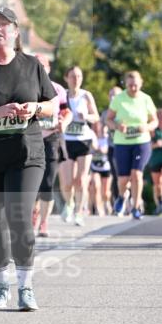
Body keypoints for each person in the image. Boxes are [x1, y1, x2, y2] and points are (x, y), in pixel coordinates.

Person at [0, 6, 58, 312]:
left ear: (16, 32)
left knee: (18, 216)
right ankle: (1, 284)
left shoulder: (31, 66)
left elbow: (53, 103)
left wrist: (36, 109)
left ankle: (26, 286)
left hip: (26, 154)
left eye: (4, 25)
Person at [106, 71, 157, 220]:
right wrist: (116, 126)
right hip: (122, 143)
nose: (133, 88)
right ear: (125, 84)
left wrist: (146, 127)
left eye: (135, 85)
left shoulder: (146, 99)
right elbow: (108, 120)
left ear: (141, 83)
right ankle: (122, 197)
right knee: (123, 179)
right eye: (130, 85)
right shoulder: (119, 99)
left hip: (141, 141)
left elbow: (154, 121)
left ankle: (136, 207)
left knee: (137, 174)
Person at [32, 53, 70, 237]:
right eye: (35, 65)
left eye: (42, 66)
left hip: (52, 138)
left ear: (48, 68)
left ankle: (44, 223)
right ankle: (33, 212)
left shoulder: (58, 89)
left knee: (47, 182)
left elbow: (67, 111)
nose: (39, 70)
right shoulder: (25, 87)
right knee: (31, 181)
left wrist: (65, 122)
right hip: (30, 138)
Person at [60, 66, 100, 226]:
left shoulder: (86, 95)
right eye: (73, 76)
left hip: (84, 140)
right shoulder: (62, 94)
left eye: (79, 76)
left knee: (81, 180)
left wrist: (87, 117)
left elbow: (96, 117)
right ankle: (69, 204)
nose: (76, 79)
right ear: (66, 78)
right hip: (67, 141)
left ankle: (79, 212)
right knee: (67, 182)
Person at [89, 120, 113, 215]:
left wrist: (98, 148)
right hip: (95, 166)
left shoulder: (107, 138)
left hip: (106, 167)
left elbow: (106, 150)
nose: (97, 128)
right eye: (95, 126)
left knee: (106, 192)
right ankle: (99, 208)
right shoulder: (92, 138)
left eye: (98, 126)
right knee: (96, 186)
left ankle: (107, 203)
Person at [148, 108, 162, 215]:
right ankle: (159, 204)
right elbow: (146, 146)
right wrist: (156, 145)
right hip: (155, 160)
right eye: (160, 116)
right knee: (157, 184)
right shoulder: (153, 131)